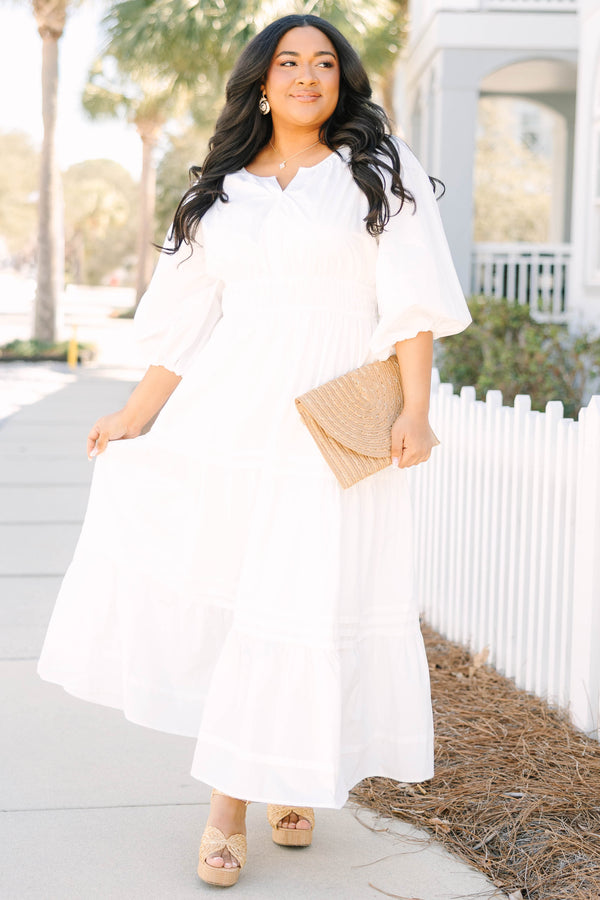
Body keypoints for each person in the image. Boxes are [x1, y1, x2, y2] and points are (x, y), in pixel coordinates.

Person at [37, 13, 471, 888]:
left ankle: (268, 785)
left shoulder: (380, 174)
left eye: (323, 61)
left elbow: (413, 302)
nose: (307, 74)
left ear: (342, 80)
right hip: (230, 416)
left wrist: (415, 411)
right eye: (288, 62)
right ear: (261, 83)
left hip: (330, 420)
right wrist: (135, 415)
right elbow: (184, 328)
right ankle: (239, 799)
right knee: (242, 603)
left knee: (302, 601)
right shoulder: (220, 188)